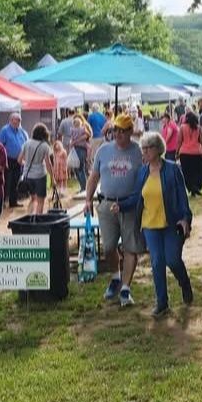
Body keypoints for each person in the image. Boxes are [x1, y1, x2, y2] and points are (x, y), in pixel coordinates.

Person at [115, 132, 193, 317]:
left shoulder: (173, 170)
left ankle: (184, 283)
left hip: (171, 223)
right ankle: (162, 302)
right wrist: (121, 205)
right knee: (157, 262)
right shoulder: (142, 172)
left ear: (158, 149)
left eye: (149, 148)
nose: (145, 152)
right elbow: (136, 197)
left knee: (173, 260)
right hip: (150, 224)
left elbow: (183, 197)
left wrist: (185, 218)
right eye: (143, 148)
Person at [85, 114, 144, 307]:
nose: (118, 134)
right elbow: (93, 177)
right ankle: (116, 277)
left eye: (122, 130)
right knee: (109, 247)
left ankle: (125, 289)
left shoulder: (138, 151)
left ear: (130, 132)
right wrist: (87, 199)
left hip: (130, 205)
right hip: (107, 203)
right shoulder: (103, 150)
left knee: (130, 247)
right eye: (115, 130)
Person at [18, 123, 51, 214]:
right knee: (41, 200)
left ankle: (29, 218)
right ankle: (38, 220)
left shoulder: (26, 143)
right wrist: (52, 177)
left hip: (28, 175)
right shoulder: (44, 146)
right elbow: (48, 163)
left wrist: (27, 164)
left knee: (33, 199)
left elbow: (19, 160)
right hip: (40, 175)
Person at [0, 113, 29, 209]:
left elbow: (26, 143)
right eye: (15, 120)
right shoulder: (5, 130)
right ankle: (1, 202)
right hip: (8, 159)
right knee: (6, 181)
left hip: (19, 160)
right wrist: (3, 160)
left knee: (16, 181)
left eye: (19, 120)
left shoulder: (22, 131)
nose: (17, 122)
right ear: (10, 120)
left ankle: (13, 201)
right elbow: (0, 145)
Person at [177, 111, 202, 196]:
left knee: (187, 173)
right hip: (197, 153)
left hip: (185, 153)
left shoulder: (182, 127)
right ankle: (196, 186)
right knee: (201, 171)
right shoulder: (198, 128)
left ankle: (192, 188)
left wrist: (177, 152)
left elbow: (179, 141)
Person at [69, 113, 93, 193]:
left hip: (82, 148)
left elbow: (87, 135)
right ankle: (82, 186)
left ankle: (84, 187)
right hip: (77, 148)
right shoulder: (75, 128)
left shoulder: (84, 126)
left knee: (80, 168)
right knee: (76, 168)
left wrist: (75, 141)